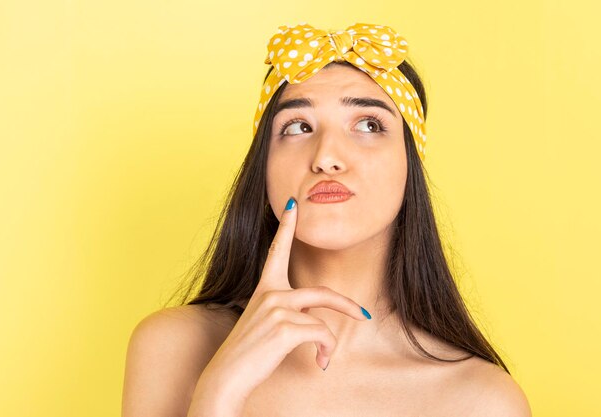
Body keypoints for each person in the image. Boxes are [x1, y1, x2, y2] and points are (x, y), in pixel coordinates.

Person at [122, 22, 532, 416]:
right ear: (262, 167)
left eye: (369, 125)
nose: (326, 158)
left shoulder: (483, 400)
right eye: (298, 126)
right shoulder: (172, 347)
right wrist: (219, 392)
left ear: (410, 165)